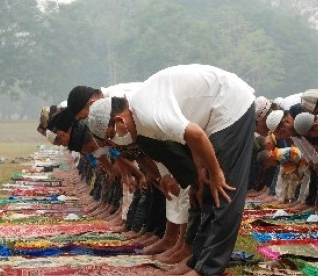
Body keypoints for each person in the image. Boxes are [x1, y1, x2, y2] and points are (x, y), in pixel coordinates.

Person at [87, 64, 255, 276]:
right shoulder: (140, 119)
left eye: (112, 136)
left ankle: (209, 269)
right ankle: (198, 261)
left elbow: (195, 133)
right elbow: (190, 130)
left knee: (223, 191)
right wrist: (199, 170)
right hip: (209, 117)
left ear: (119, 120)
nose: (116, 143)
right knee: (206, 192)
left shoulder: (149, 114)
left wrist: (216, 172)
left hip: (230, 106)